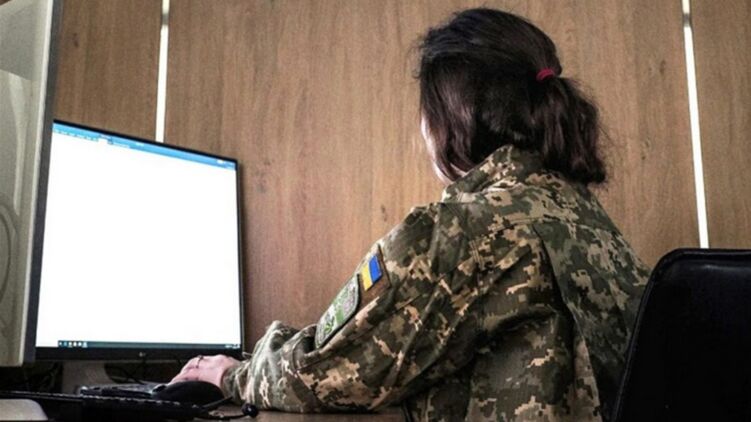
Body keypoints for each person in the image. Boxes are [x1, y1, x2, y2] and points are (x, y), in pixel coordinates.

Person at [171, 8, 650, 421]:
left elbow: (326, 373)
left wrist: (231, 374)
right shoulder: (585, 219)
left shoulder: (467, 231)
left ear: (452, 119)